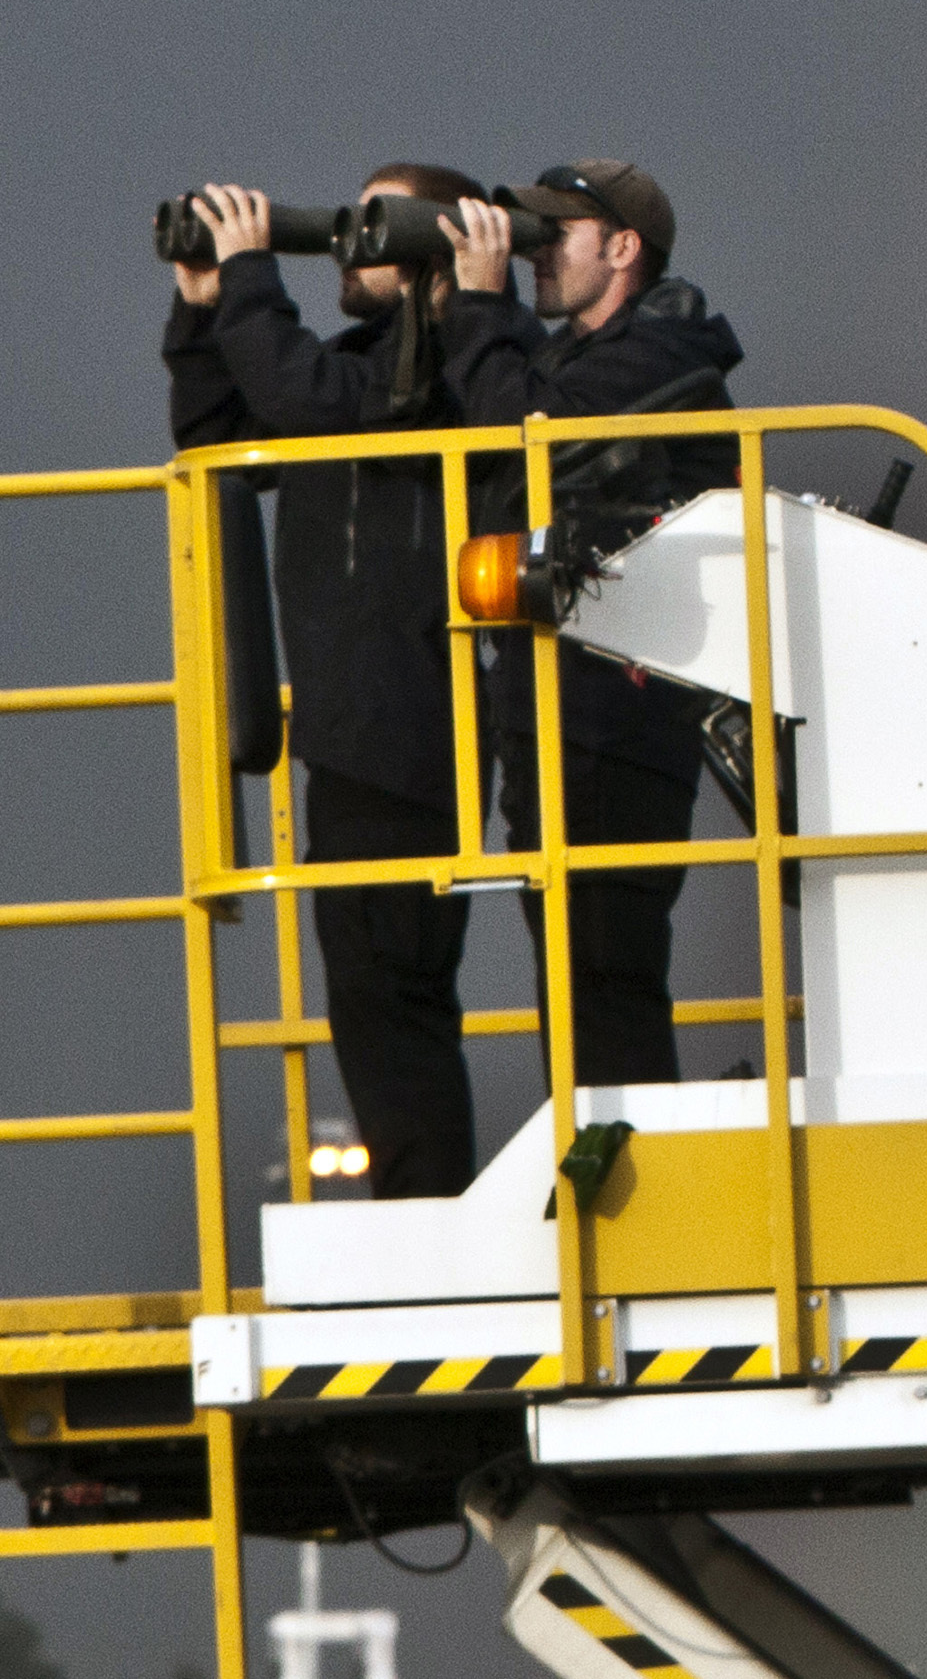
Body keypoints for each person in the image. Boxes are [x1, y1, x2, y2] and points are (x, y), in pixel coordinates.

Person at [164, 163, 495, 1197]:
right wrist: (204, 310)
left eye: (376, 225)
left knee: (391, 992)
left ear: (438, 257)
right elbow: (222, 444)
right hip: (354, 734)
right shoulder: (358, 372)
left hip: (411, 730)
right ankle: (421, 1203)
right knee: (368, 995)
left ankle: (426, 1211)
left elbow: (309, 401)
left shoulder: (448, 376)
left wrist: (258, 269)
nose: (351, 245)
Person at [431, 158, 744, 1097]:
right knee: (575, 966)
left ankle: (633, 1156)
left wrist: (481, 305)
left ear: (622, 249)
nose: (531, 255)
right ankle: (605, 1138)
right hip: (563, 709)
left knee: (604, 963)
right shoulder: (576, 359)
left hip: (618, 714)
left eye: (551, 234)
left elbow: (520, 433)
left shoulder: (662, 356)